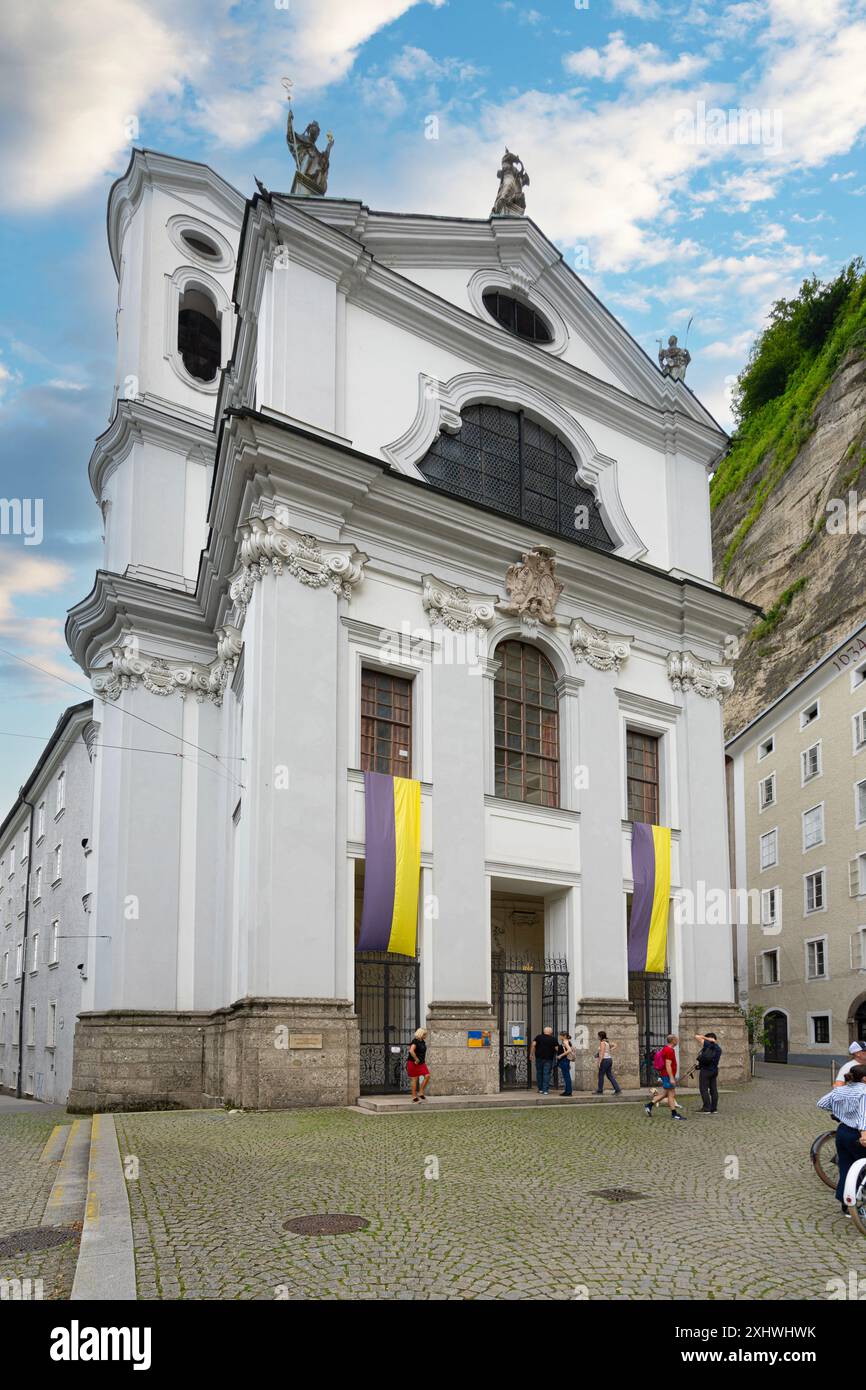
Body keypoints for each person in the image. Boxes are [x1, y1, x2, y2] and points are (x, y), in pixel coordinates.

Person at [816, 1064, 866, 1216]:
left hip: (842, 1132)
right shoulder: (864, 1092)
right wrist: (864, 1134)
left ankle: (846, 1205)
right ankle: (857, 1199)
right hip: (858, 1134)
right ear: (864, 1078)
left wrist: (840, 1113)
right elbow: (864, 1116)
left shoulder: (840, 1089)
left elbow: (821, 1104)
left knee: (846, 1168)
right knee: (862, 1169)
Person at [645, 1034, 686, 1120]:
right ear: (673, 1040)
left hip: (666, 1075)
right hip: (667, 1075)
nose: (678, 1040)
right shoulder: (669, 1050)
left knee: (665, 1094)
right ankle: (674, 1114)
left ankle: (649, 1105)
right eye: (677, 1039)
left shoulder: (667, 1049)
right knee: (671, 1094)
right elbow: (668, 1065)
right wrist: (671, 1078)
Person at [695, 1031, 722, 1113]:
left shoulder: (708, 1045)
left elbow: (697, 1036)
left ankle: (706, 1108)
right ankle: (714, 1109)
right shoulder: (718, 1048)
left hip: (706, 1070)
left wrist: (707, 1039)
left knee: (703, 1089)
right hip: (714, 1070)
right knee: (713, 1089)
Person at [530, 1025, 558, 1095]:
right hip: (549, 1059)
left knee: (539, 1073)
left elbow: (533, 1045)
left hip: (539, 1058)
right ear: (551, 1032)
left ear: (544, 1031)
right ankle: (545, 1090)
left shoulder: (538, 1037)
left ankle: (540, 1089)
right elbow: (557, 1049)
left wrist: (531, 1054)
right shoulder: (553, 1039)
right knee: (546, 1074)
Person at [595, 1031, 622, 1095]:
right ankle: (617, 1089)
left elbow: (602, 1053)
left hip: (605, 1060)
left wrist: (599, 1062)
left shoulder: (602, 1043)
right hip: (609, 1059)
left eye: (598, 1036)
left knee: (601, 1075)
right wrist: (610, 1050)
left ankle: (600, 1090)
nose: (597, 1037)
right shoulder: (607, 1042)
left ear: (600, 1036)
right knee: (609, 1075)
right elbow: (615, 1045)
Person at [407, 1028, 430, 1102]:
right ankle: (414, 1096)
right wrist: (416, 1059)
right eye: (425, 1034)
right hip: (413, 1063)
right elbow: (411, 1051)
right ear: (421, 1034)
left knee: (427, 1076)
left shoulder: (422, 1041)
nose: (426, 1035)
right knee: (415, 1079)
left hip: (421, 1063)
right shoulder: (415, 1041)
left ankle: (420, 1092)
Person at [556, 1031, 575, 1097]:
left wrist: (560, 1055)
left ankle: (568, 1092)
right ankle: (567, 1091)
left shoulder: (565, 1041)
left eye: (560, 1035)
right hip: (566, 1060)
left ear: (564, 1036)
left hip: (564, 1060)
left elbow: (569, 1050)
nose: (559, 1037)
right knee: (567, 1076)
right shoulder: (568, 1041)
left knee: (566, 1076)